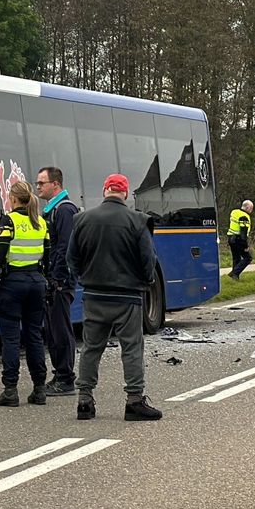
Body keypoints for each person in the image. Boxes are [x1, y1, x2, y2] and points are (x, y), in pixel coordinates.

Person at [67, 173, 162, 422]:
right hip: (128, 297)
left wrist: (85, 278)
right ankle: (134, 401)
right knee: (131, 348)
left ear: (104, 190)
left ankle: (84, 401)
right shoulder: (138, 221)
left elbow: (71, 259)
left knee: (91, 348)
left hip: (94, 295)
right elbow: (147, 260)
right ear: (126, 193)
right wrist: (147, 281)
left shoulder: (82, 219)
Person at [0, 181, 50, 407]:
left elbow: (0, 256)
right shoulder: (41, 223)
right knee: (34, 336)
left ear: (14, 199)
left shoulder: (8, 221)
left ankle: (10, 390)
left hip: (12, 284)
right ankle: (39, 389)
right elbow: (47, 258)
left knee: (10, 339)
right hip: (36, 283)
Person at [34, 166, 80, 397]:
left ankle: (66, 378)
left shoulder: (64, 210)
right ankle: (61, 373)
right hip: (53, 280)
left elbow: (64, 247)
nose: (38, 187)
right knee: (52, 329)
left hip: (60, 281)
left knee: (60, 329)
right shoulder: (52, 210)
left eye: (41, 183)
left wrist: (57, 278)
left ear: (56, 184)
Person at [226, 200, 254, 280]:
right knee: (248, 258)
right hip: (239, 239)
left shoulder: (234, 212)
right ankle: (234, 273)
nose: (251, 210)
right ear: (247, 207)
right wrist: (245, 245)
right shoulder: (244, 216)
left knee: (236, 258)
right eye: (251, 208)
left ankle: (235, 277)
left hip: (231, 238)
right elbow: (243, 232)